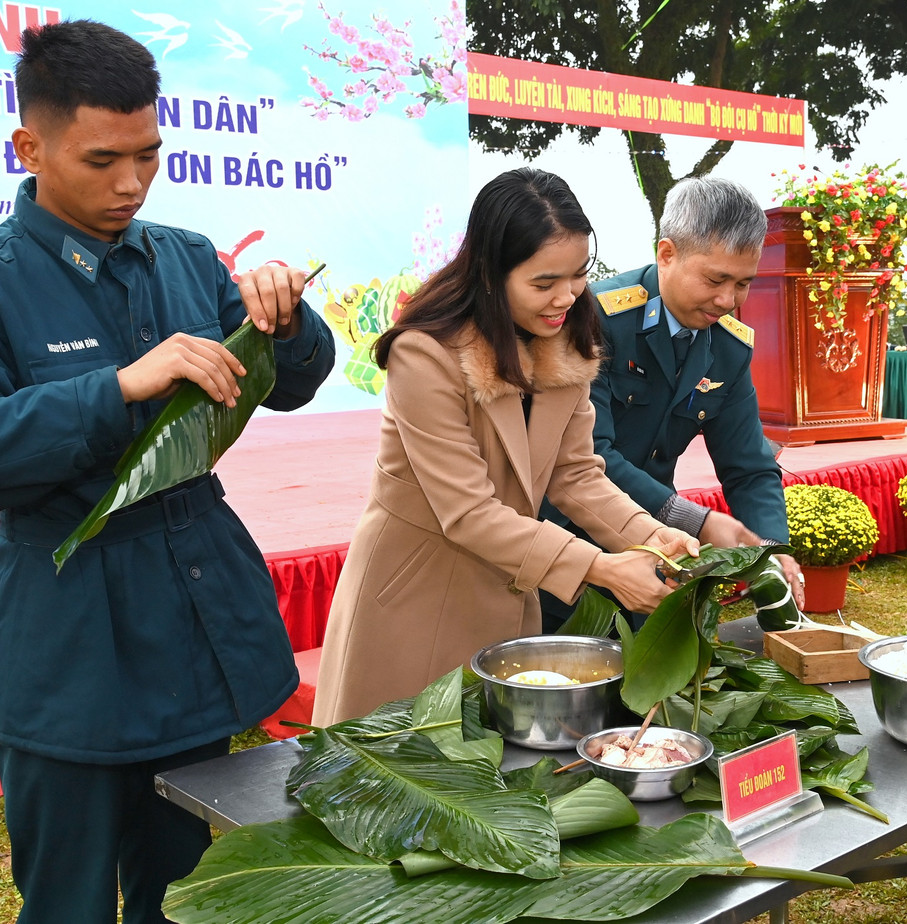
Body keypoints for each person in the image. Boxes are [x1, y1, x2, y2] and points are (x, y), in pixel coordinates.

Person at [0, 20, 334, 924]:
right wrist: (117, 387)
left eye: (149, 155)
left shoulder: (185, 258)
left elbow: (289, 386)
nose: (130, 183)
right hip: (73, 662)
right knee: (70, 905)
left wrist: (289, 324)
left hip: (192, 631)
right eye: (102, 160)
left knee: (187, 894)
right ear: (30, 146)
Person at [311, 168, 699, 724]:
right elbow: (467, 512)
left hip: (509, 583)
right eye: (544, 283)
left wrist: (656, 537)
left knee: (484, 768)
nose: (566, 296)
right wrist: (604, 568)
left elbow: (576, 476)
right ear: (492, 274)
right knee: (399, 769)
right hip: (413, 597)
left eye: (578, 275)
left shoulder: (565, 340)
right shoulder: (424, 355)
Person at [538, 176, 802, 631]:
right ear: (667, 254)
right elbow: (589, 455)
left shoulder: (729, 348)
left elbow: (750, 466)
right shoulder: (594, 319)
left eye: (744, 284)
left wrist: (770, 551)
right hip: (566, 552)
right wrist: (696, 522)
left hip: (655, 555)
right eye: (715, 279)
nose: (728, 301)